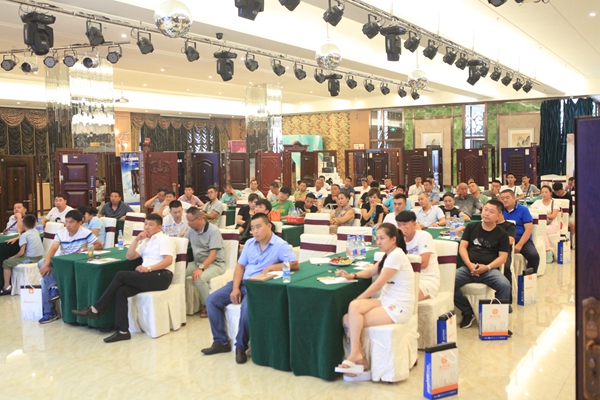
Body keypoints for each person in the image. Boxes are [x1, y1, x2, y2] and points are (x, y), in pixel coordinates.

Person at [202, 213, 299, 364]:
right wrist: (235, 288)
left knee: (247, 309)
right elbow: (240, 266)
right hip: (242, 282)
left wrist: (272, 267)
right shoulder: (249, 243)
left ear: (269, 226)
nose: (255, 231)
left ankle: (240, 347)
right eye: (252, 228)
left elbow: (294, 264)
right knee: (211, 300)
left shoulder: (280, 245)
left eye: (258, 227)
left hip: (258, 286)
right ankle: (220, 341)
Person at [72, 214, 175, 343]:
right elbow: (129, 257)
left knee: (121, 275)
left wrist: (148, 268)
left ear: (159, 227)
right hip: (148, 276)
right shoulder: (146, 241)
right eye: (145, 224)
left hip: (162, 276)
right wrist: (136, 240)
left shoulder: (164, 239)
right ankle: (122, 331)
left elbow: (168, 260)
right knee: (121, 291)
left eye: (151, 225)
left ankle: (96, 309)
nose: (147, 227)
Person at [336, 223, 414, 378]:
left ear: (393, 239)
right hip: (386, 300)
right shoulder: (389, 255)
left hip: (398, 307)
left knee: (352, 315)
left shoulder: (396, 255)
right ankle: (359, 356)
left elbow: (378, 284)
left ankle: (356, 355)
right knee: (347, 316)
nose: (378, 242)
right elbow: (372, 271)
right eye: (377, 238)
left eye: (382, 238)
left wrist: (360, 298)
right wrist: (353, 276)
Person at [454, 199, 512, 329]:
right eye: (485, 209)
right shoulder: (471, 227)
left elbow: (503, 257)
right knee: (447, 283)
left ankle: (495, 319)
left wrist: (487, 267)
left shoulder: (502, 234)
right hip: (468, 268)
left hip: (489, 270)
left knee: (504, 285)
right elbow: (462, 248)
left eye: (491, 212)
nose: (486, 213)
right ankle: (467, 311)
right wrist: (469, 265)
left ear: (499, 215)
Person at [38, 210, 103, 324]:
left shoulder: (85, 232)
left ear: (80, 223)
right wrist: (47, 264)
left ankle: (50, 311)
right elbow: (53, 249)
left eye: (71, 222)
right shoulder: (61, 233)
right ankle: (54, 287)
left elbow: (99, 245)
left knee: (44, 281)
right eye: (66, 222)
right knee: (41, 263)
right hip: (63, 264)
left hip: (75, 266)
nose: (68, 225)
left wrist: (84, 249)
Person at [184, 207, 226, 318]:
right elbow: (183, 242)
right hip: (197, 262)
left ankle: (208, 305)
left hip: (216, 264)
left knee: (199, 278)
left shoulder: (213, 231)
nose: (188, 224)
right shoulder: (192, 231)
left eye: (190, 221)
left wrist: (200, 269)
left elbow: (212, 255)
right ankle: (182, 303)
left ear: (198, 219)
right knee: (178, 273)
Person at [396, 211, 440, 300]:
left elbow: (423, 264)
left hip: (426, 281)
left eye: (405, 224)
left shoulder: (424, 236)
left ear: (414, 224)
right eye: (399, 225)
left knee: (404, 297)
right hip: (406, 280)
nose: (402, 228)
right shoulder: (399, 240)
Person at [1, 215, 44, 296]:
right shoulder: (36, 231)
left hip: (30, 258)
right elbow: (26, 235)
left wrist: (13, 257)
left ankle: (6, 286)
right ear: (35, 224)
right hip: (39, 257)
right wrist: (17, 238)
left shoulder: (24, 236)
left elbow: (21, 252)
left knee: (6, 262)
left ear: (23, 224)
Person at [499, 189, 540, 273]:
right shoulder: (499, 211)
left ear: (514, 198)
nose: (505, 200)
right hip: (504, 240)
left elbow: (528, 229)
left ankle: (529, 277)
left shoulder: (523, 210)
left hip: (521, 239)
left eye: (507, 198)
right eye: (502, 198)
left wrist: (519, 245)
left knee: (534, 256)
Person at [531, 186, 561, 260]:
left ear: (550, 193)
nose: (544, 194)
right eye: (542, 192)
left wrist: (542, 216)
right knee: (536, 229)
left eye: (546, 192)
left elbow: (553, 216)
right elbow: (530, 212)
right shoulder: (537, 202)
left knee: (542, 230)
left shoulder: (554, 203)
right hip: (540, 225)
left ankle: (548, 251)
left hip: (552, 225)